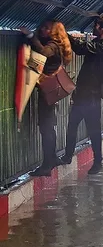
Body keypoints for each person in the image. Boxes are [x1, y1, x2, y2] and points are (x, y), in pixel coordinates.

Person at [61, 16, 103, 174]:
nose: (94, 27)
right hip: (83, 93)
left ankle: (97, 161)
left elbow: (80, 48)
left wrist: (64, 34)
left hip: (92, 95)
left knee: (93, 130)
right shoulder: (99, 43)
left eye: (96, 25)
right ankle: (68, 155)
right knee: (72, 125)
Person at [20, 21, 73, 176]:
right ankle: (52, 159)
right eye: (41, 26)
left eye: (47, 28)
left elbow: (43, 52)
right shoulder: (58, 44)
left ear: (54, 32)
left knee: (46, 127)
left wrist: (29, 35)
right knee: (49, 127)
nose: (42, 29)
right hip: (52, 91)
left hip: (47, 91)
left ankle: (47, 165)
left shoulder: (54, 46)